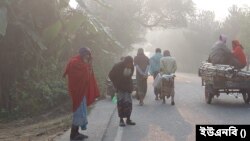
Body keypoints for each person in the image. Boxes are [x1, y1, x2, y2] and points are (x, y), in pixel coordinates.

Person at [63, 47, 100, 141]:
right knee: (78, 112)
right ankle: (73, 135)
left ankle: (76, 133)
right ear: (82, 54)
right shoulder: (75, 62)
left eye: (89, 55)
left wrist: (88, 65)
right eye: (86, 54)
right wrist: (87, 66)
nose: (88, 56)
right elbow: (82, 75)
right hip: (77, 92)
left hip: (81, 91)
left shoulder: (82, 62)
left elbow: (88, 74)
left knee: (82, 112)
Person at [109, 56, 136, 127]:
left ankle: (128, 119)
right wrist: (115, 84)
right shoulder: (117, 66)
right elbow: (110, 75)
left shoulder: (132, 66)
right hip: (120, 87)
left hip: (128, 87)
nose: (130, 65)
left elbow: (130, 76)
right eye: (129, 64)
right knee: (121, 103)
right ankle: (121, 120)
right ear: (125, 62)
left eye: (131, 64)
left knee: (128, 103)